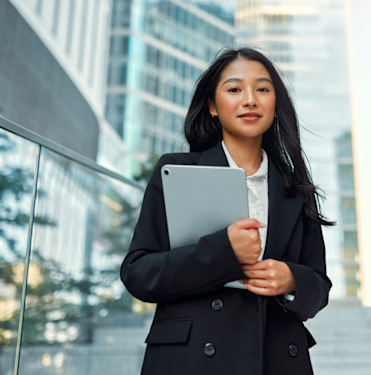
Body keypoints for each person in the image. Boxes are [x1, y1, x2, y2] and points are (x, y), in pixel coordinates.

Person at [120, 47, 334, 375]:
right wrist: (224, 252)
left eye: (262, 89)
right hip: (191, 359)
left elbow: (320, 285)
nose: (250, 99)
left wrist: (292, 280)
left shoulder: (296, 189)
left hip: (276, 359)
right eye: (234, 89)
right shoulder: (176, 171)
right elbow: (139, 272)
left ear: (275, 104)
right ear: (212, 106)